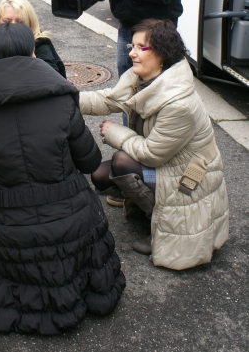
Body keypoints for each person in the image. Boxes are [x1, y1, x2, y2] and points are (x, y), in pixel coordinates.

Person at [0, 23, 125, 335]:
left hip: (11, 233)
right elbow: (89, 161)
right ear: (32, 53)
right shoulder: (61, 99)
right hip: (73, 224)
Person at [80, 19, 229, 271]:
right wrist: (64, 97)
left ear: (161, 53)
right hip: (170, 163)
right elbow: (107, 100)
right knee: (99, 175)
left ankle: (158, 225)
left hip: (191, 175)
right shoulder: (144, 78)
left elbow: (151, 155)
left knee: (121, 162)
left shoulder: (178, 104)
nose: (131, 53)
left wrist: (117, 132)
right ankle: (145, 204)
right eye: (132, 45)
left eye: (141, 48)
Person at [0, 0, 66, 77]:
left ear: (30, 23)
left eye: (20, 22)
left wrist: (32, 58)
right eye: (6, 21)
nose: (12, 26)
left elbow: (54, 80)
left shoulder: (40, 44)